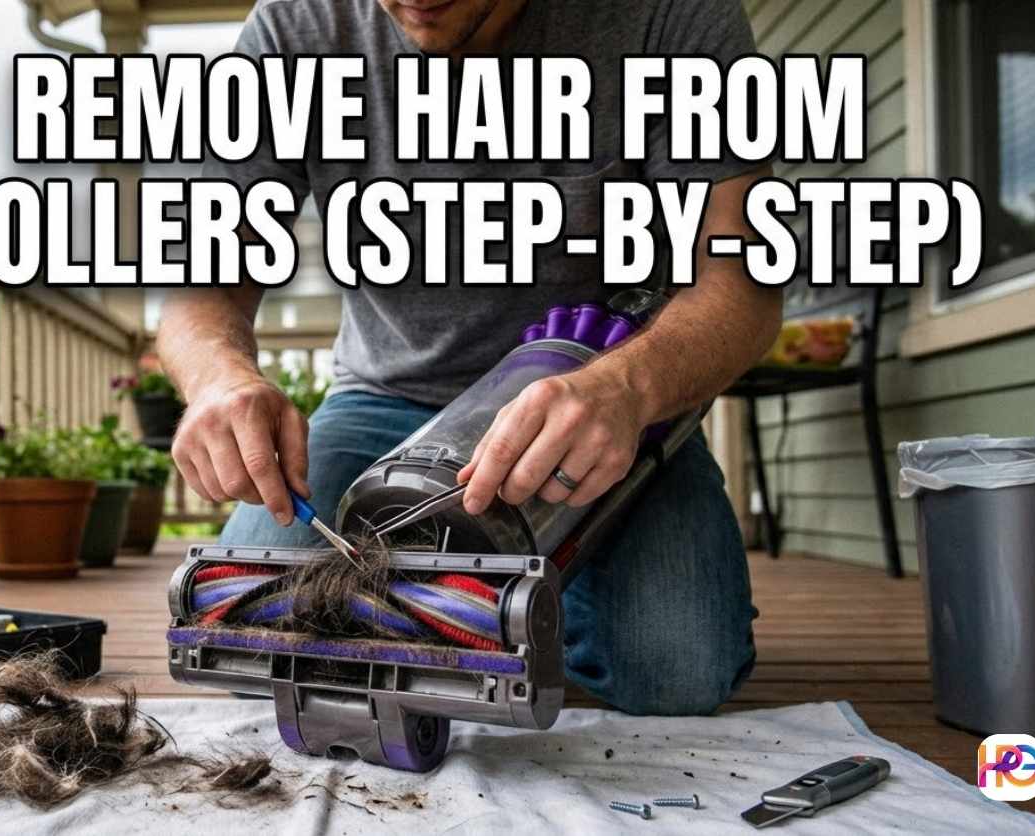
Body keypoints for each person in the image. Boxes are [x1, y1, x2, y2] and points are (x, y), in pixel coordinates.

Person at [155, 0, 782, 716]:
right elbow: (198, 282)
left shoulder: (669, 17)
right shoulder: (298, 25)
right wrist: (218, 379)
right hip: (383, 400)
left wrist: (629, 388)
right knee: (246, 627)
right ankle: (492, 603)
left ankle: (511, 599)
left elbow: (741, 283)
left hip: (601, 407)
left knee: (673, 670)